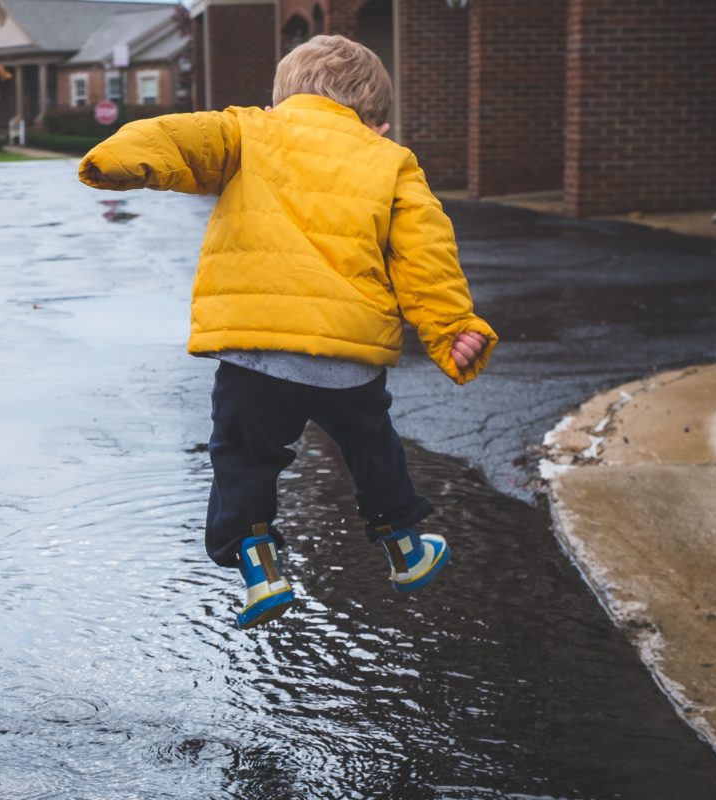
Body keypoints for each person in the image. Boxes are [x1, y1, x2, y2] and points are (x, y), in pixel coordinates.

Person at [78, 35, 496, 629]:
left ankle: (260, 566)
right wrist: (452, 328)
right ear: (374, 116)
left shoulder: (250, 131)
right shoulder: (390, 160)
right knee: (371, 444)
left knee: (244, 455)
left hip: (255, 352)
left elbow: (177, 137)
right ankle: (404, 547)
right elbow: (424, 255)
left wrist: (117, 158)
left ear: (280, 97)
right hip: (345, 355)